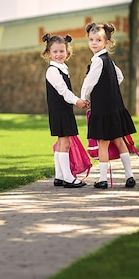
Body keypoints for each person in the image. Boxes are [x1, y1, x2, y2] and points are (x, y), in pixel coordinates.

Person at [80, 23, 137, 189]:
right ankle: (129, 176)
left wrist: (84, 97)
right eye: (91, 39)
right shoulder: (109, 60)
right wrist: (110, 87)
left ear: (106, 42)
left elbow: (88, 82)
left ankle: (103, 179)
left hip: (103, 109)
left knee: (103, 143)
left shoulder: (98, 61)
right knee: (119, 141)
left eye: (98, 40)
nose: (94, 43)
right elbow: (120, 77)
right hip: (115, 106)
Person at [41, 33, 90, 188]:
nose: (59, 54)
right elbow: (63, 91)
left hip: (63, 110)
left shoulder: (62, 68)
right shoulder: (52, 71)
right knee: (65, 143)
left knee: (61, 143)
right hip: (60, 111)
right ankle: (68, 178)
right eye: (55, 52)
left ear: (67, 51)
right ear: (48, 53)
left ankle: (59, 176)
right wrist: (78, 101)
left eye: (62, 51)